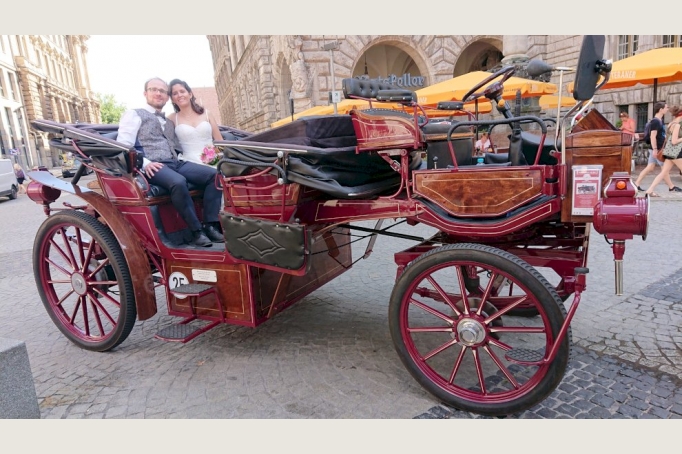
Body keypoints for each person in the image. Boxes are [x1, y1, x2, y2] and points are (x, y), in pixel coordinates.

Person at [116, 77, 224, 247]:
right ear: (145, 93)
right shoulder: (134, 114)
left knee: (214, 176)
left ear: (167, 97)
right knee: (178, 182)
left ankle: (210, 224)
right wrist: (145, 163)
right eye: (154, 89)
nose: (158, 93)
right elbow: (124, 145)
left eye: (163, 91)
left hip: (175, 162)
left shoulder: (168, 120)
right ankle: (196, 231)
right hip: (153, 165)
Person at [168, 79, 223, 165]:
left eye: (182, 91)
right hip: (188, 163)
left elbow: (219, 140)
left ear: (190, 94)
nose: (179, 95)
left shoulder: (207, 113)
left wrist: (219, 160)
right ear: (172, 99)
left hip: (212, 161)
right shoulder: (172, 118)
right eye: (175, 93)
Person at [634, 102, 681, 196]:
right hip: (660, 149)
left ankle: (640, 186)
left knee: (655, 169)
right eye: (666, 108)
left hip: (663, 149)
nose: (667, 109)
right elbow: (653, 136)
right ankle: (671, 187)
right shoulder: (656, 121)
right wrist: (655, 149)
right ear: (661, 109)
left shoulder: (662, 121)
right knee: (663, 170)